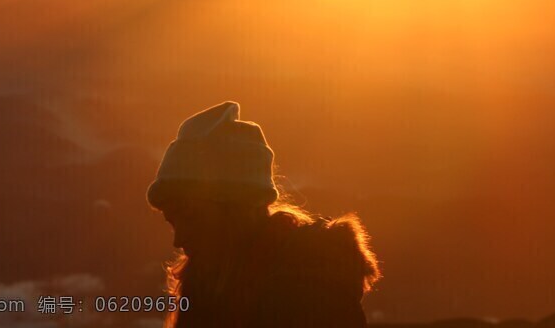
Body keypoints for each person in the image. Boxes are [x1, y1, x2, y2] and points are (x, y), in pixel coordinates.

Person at [147, 101, 380, 327]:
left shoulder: (313, 293)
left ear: (239, 208)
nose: (179, 240)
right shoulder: (205, 284)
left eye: (191, 218)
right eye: (173, 222)